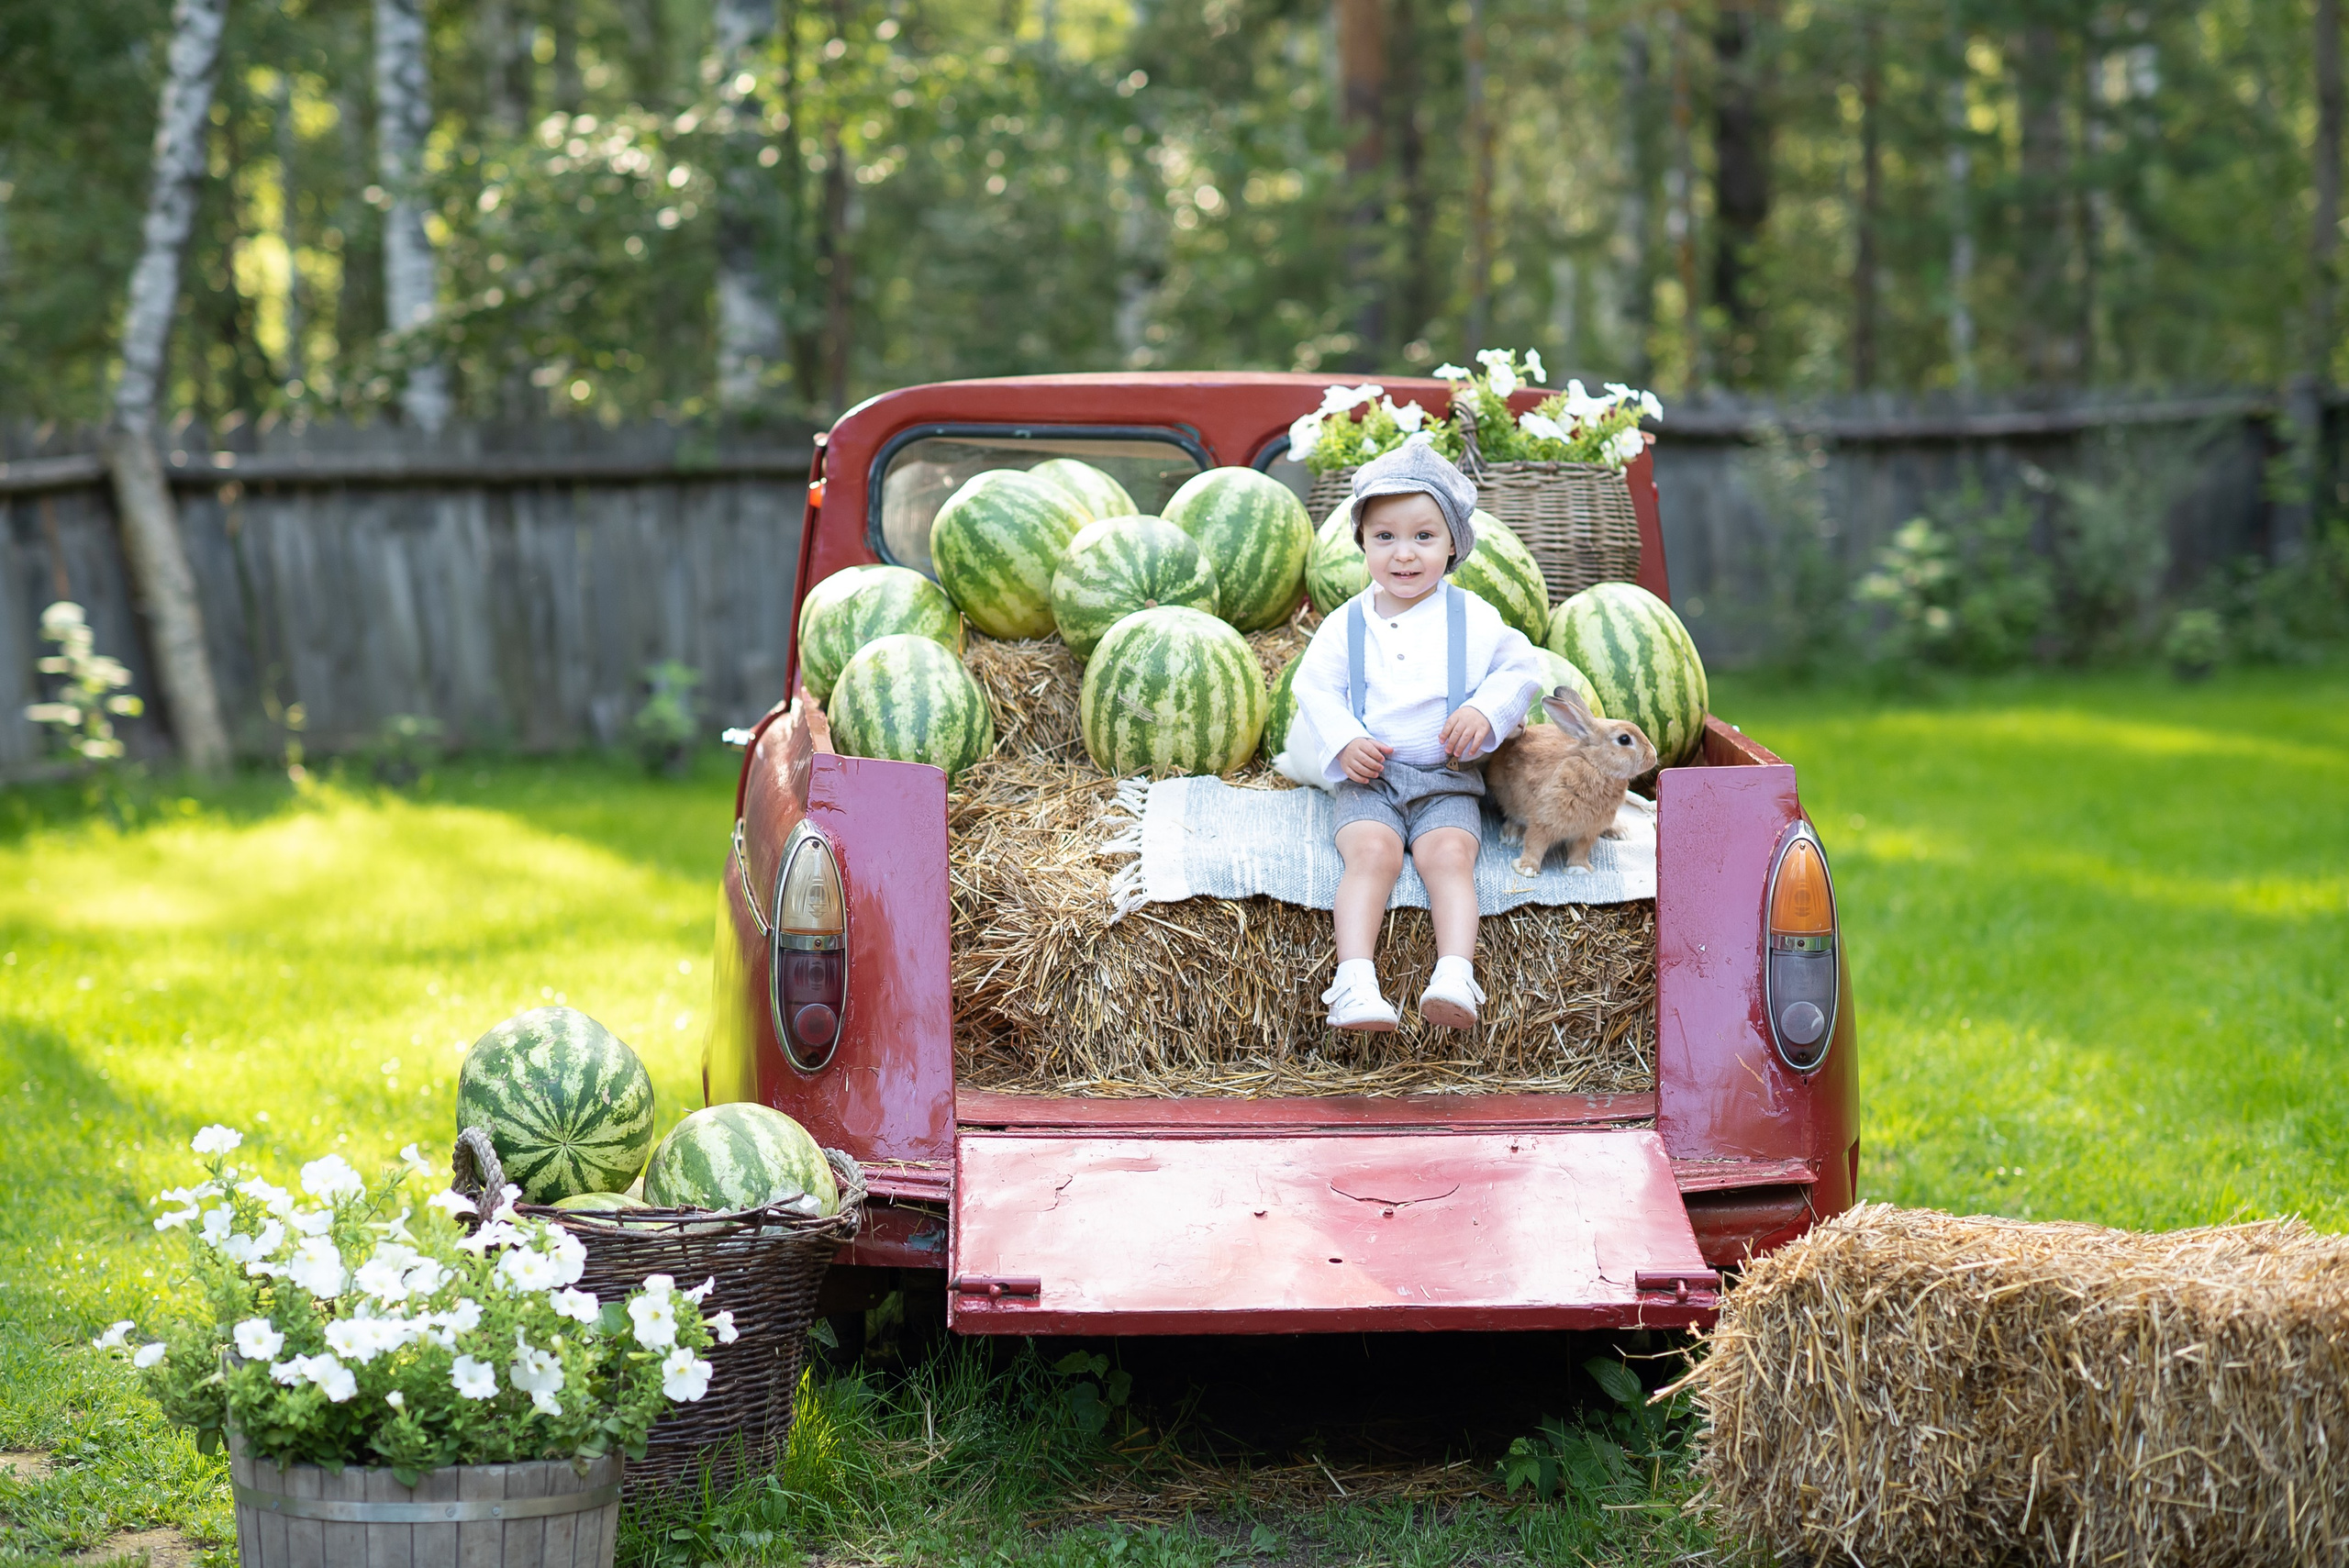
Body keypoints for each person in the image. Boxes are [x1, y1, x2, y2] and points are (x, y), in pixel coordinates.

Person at [1286, 440, 1547, 1031]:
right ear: (1362, 542)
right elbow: (1315, 687)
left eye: (1423, 537)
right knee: (1370, 854)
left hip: (1446, 776)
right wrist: (1345, 738)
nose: (1404, 555)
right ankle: (1354, 981)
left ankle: (1455, 975)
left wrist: (1486, 709)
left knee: (1450, 856)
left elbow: (1522, 668)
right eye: (1385, 538)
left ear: (1454, 542)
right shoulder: (1347, 622)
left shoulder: (1472, 617)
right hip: (1372, 779)